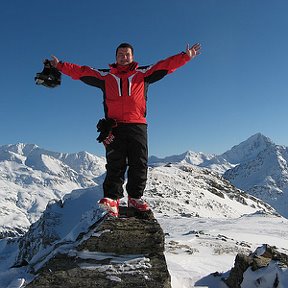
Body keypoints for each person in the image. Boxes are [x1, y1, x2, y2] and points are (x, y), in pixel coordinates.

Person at [49, 42, 201, 217]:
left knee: (139, 163)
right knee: (115, 163)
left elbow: (165, 66)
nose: (124, 57)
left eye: (127, 54)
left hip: (138, 125)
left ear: (132, 57)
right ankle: (112, 199)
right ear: (116, 58)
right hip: (114, 126)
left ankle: (135, 198)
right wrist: (60, 66)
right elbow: (81, 71)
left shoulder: (143, 74)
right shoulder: (105, 76)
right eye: (120, 54)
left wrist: (185, 56)